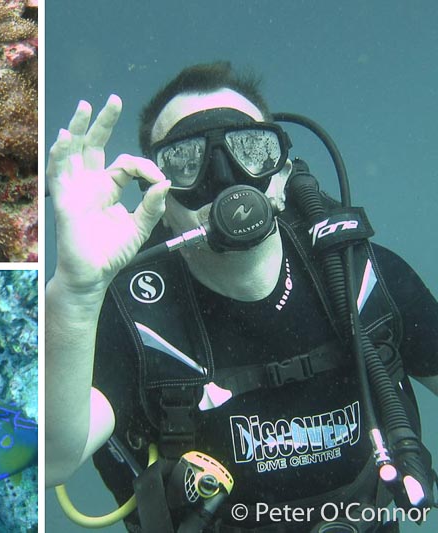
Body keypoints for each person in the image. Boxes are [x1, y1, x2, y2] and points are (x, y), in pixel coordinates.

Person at [46, 61, 438, 533]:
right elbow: (49, 460)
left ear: (282, 175)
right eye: (187, 161)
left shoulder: (362, 278)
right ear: (160, 199)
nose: (225, 178)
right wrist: (76, 290)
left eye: (250, 150)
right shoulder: (134, 319)